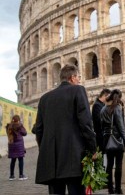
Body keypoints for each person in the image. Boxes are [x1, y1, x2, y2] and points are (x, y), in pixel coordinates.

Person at [34, 64, 96, 194]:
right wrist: (92, 148)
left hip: (51, 159)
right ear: (72, 77)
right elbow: (86, 123)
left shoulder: (44, 98)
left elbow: (39, 129)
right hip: (74, 155)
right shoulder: (78, 90)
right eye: (78, 77)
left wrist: (44, 148)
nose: (79, 80)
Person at [100, 89, 125, 194]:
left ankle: (110, 189)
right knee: (119, 165)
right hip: (116, 139)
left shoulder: (103, 109)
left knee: (109, 164)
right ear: (119, 98)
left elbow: (102, 126)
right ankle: (118, 189)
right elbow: (121, 127)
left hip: (107, 139)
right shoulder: (117, 108)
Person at [6, 115, 28, 181]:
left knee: (13, 160)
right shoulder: (19, 126)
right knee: (20, 159)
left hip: (12, 144)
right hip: (19, 145)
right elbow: (25, 133)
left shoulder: (9, 126)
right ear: (18, 120)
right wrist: (22, 125)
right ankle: (21, 175)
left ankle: (11, 176)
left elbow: (8, 134)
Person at [92, 88, 111, 154]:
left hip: (103, 134)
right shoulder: (97, 105)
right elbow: (99, 120)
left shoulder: (101, 104)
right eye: (108, 97)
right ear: (104, 96)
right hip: (101, 135)